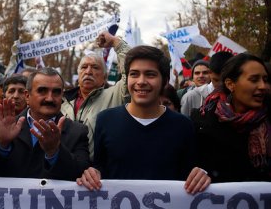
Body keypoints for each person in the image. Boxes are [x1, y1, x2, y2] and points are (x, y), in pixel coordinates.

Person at [77, 45, 211, 194]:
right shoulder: (105, 120)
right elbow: (100, 168)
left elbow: (191, 174)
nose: (141, 81)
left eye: (150, 74)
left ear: (165, 81)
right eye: (134, 74)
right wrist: (92, 173)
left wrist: (201, 175)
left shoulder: (184, 126)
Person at [0, 67, 90, 181]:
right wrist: (1, 145)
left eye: (56, 92)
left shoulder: (77, 132)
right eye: (42, 91)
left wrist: (55, 152)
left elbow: (82, 176)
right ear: (27, 96)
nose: (50, 98)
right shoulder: (3, 127)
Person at [191, 53, 271, 182]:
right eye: (254, 80)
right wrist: (204, 173)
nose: (263, 86)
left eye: (265, 80)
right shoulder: (202, 123)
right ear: (230, 84)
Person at [61, 31, 130, 160]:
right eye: (84, 67)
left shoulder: (115, 95)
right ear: (79, 73)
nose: (88, 71)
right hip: (64, 172)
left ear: (104, 77)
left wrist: (116, 42)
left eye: (95, 67)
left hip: (99, 175)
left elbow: (131, 71)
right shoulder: (62, 101)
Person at [180, 51, 233, 116]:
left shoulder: (239, 95)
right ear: (210, 73)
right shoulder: (189, 97)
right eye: (216, 80)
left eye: (226, 81)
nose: (220, 85)